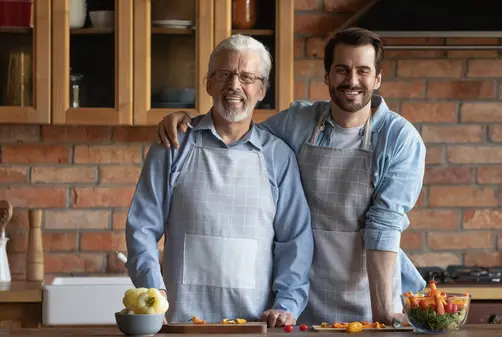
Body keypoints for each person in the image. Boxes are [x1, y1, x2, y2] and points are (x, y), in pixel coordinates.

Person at [155, 27, 427, 325]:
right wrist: (186, 121)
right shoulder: (298, 122)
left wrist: (381, 313)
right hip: (303, 302)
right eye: (341, 69)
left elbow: (384, 226)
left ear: (377, 79)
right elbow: (239, 129)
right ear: (327, 76)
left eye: (363, 71)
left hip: (369, 295)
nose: (351, 80)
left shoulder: (399, 138)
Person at [125, 34, 314, 327]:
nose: (234, 85)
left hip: (255, 327)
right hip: (181, 325)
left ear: (262, 90)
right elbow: (142, 226)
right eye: (225, 74)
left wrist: (286, 304)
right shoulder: (174, 144)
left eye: (247, 77)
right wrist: (152, 291)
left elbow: (295, 240)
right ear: (209, 83)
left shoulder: (279, 157)